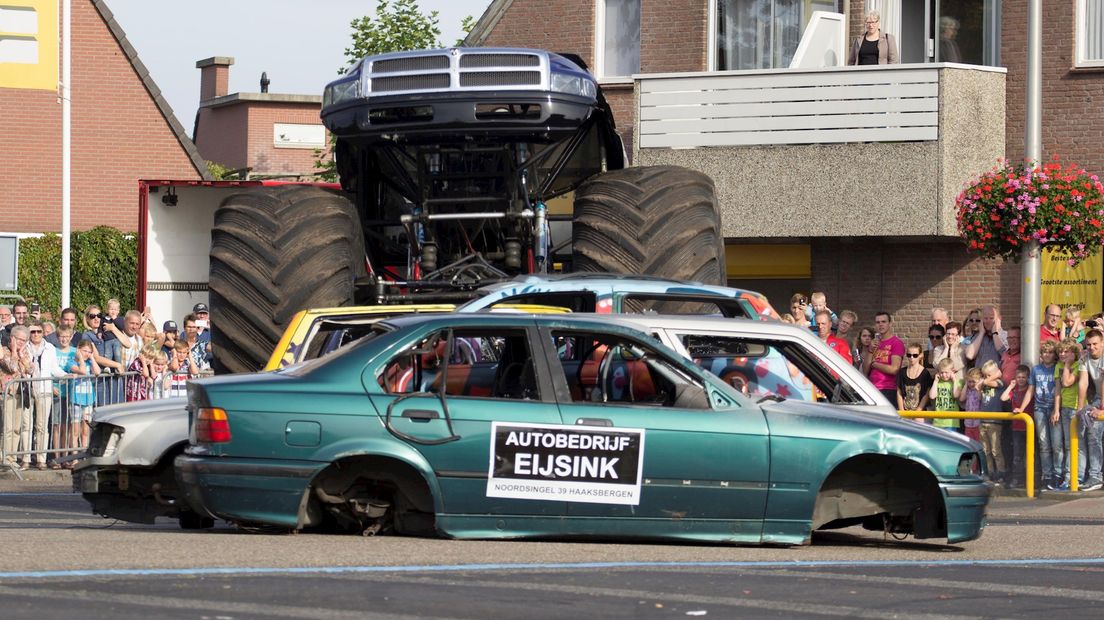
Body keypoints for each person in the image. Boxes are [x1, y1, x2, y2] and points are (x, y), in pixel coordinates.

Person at [1076, 329, 1104, 492]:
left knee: (1095, 433)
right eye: (1089, 345)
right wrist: (1080, 408)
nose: (1092, 347)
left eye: (1095, 344)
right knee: (1092, 434)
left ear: (1102, 343)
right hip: (1098, 398)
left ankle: (1096, 476)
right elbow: (1083, 383)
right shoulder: (1085, 358)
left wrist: (1102, 410)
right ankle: (1095, 474)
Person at [1052, 338, 1082, 491]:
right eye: (1061, 352)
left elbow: (1067, 382)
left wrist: (1068, 365)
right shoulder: (1058, 366)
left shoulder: (1077, 365)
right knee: (1063, 445)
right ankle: (1064, 476)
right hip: (1064, 409)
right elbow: (1058, 389)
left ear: (1073, 353)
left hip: (1075, 408)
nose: (1063, 354)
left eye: (1066, 351)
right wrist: (1056, 409)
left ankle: (1073, 477)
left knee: (1073, 446)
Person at [26, 321, 56, 469]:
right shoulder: (24, 347)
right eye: (32, 331)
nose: (36, 334)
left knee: (42, 425)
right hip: (27, 389)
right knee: (27, 425)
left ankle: (41, 459)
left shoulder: (50, 348)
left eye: (38, 331)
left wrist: (69, 374)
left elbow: (54, 369)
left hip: (44, 389)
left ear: (43, 332)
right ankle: (26, 458)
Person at [1029, 341, 1060, 490]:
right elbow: (1031, 389)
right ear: (1041, 355)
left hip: (1054, 409)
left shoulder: (1057, 368)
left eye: (1050, 352)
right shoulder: (1036, 369)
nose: (1047, 355)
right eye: (1044, 352)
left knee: (1056, 444)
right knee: (1044, 444)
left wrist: (1056, 409)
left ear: (1055, 355)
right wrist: (1022, 407)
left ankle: (1058, 473)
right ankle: (1047, 475)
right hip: (1039, 408)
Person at [1000, 365, 1033, 489]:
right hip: (1017, 428)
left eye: (1024, 377)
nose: (1021, 379)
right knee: (1017, 456)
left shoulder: (1030, 390)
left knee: (1031, 454)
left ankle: (1032, 477)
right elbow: (1003, 398)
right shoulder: (1013, 391)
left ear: (1028, 378)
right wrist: (1011, 385)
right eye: (1018, 377)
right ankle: (1017, 478)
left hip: (1029, 427)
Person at [67, 337, 101, 454]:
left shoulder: (89, 362)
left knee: (85, 430)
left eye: (89, 351)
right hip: (76, 399)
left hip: (88, 399)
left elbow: (97, 372)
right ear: (78, 349)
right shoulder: (71, 362)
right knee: (75, 431)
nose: (86, 353)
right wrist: (80, 357)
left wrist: (92, 358)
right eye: (84, 351)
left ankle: (84, 455)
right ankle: (75, 456)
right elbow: (82, 371)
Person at [50, 327, 77, 469]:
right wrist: (50, 386)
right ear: (57, 337)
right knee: (56, 425)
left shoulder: (74, 352)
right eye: (61, 336)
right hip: (56, 391)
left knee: (67, 427)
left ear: (71, 337)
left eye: (67, 336)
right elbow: (47, 370)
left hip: (71, 392)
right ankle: (56, 458)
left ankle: (66, 458)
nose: (64, 339)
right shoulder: (53, 351)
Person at [864, 312, 904, 403]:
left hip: (888, 388)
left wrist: (874, 364)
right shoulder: (874, 343)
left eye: (883, 321)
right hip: (872, 387)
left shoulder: (896, 343)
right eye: (878, 322)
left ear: (889, 324)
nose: (880, 324)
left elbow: (894, 369)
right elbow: (865, 370)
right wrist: (870, 350)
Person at [977, 360, 1006, 484]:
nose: (985, 378)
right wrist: (981, 386)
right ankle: (990, 472)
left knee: (995, 450)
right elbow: (979, 397)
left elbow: (992, 383)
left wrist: (995, 376)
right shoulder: (985, 384)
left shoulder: (998, 382)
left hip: (994, 421)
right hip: (983, 420)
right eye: (984, 375)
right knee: (986, 450)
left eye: (988, 375)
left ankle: (1001, 473)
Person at [897, 342, 932, 421]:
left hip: (920, 412)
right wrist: (902, 412)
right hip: (905, 411)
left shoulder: (925, 373)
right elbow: (899, 392)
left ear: (920, 355)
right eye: (909, 355)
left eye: (915, 355)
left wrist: (918, 411)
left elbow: (926, 395)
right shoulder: (902, 372)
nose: (912, 358)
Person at [965, 305, 1007, 369]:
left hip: (997, 377)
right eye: (985, 318)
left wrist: (995, 333)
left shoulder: (1006, 336)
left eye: (991, 318)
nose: (988, 321)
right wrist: (981, 333)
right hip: (979, 377)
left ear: (999, 319)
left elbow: (1005, 354)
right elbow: (969, 355)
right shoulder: (978, 336)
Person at [929, 358, 963, 434]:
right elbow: (932, 396)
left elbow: (956, 395)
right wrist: (935, 381)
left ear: (953, 371)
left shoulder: (958, 382)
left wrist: (954, 380)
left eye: (946, 372)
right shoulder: (938, 383)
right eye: (941, 372)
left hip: (951, 421)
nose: (944, 375)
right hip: (938, 421)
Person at [960, 367, 984, 441]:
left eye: (973, 382)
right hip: (968, 422)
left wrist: (978, 387)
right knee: (969, 442)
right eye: (969, 381)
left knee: (978, 442)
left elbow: (980, 398)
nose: (971, 384)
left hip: (978, 422)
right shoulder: (968, 390)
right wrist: (966, 385)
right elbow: (961, 398)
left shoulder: (981, 390)